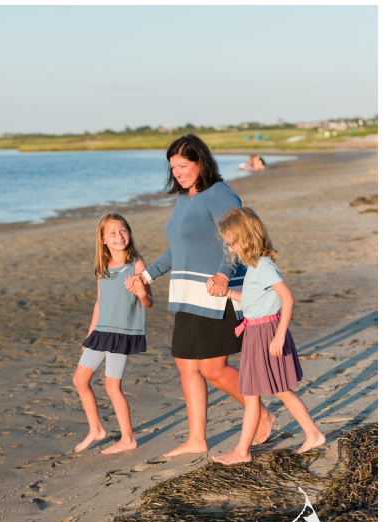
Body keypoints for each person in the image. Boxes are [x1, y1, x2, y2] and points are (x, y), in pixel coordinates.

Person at [126, 134, 275, 457]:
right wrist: (146, 275)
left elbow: (243, 238)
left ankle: (262, 414)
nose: (178, 172)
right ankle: (197, 439)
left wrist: (223, 272)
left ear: (200, 162)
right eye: (173, 167)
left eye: (183, 165)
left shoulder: (221, 195)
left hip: (216, 292)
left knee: (212, 368)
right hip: (186, 292)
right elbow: (177, 248)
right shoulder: (185, 198)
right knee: (186, 366)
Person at [213, 208, 324, 464]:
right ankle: (312, 434)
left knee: (274, 391)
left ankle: (244, 451)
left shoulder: (263, 266)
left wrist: (279, 336)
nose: (230, 249)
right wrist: (228, 293)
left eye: (233, 243)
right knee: (261, 392)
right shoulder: (253, 266)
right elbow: (253, 301)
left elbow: (288, 298)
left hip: (267, 333)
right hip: (255, 332)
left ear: (248, 237)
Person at [73, 213, 153, 454]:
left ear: (128, 232)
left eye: (122, 231)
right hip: (100, 332)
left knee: (112, 387)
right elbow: (100, 303)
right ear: (103, 239)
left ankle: (128, 438)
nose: (119, 236)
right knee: (79, 380)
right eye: (112, 233)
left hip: (122, 333)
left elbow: (149, 302)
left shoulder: (136, 264)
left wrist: (139, 291)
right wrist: (89, 336)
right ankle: (96, 429)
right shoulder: (103, 267)